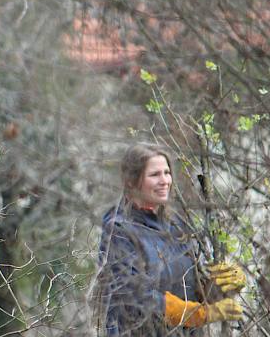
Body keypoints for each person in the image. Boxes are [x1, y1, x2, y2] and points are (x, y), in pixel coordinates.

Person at [98, 143, 246, 336]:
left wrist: (223, 285)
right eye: (154, 175)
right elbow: (134, 299)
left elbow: (192, 289)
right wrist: (196, 314)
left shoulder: (177, 226)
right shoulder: (118, 230)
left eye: (167, 173)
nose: (164, 181)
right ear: (131, 181)